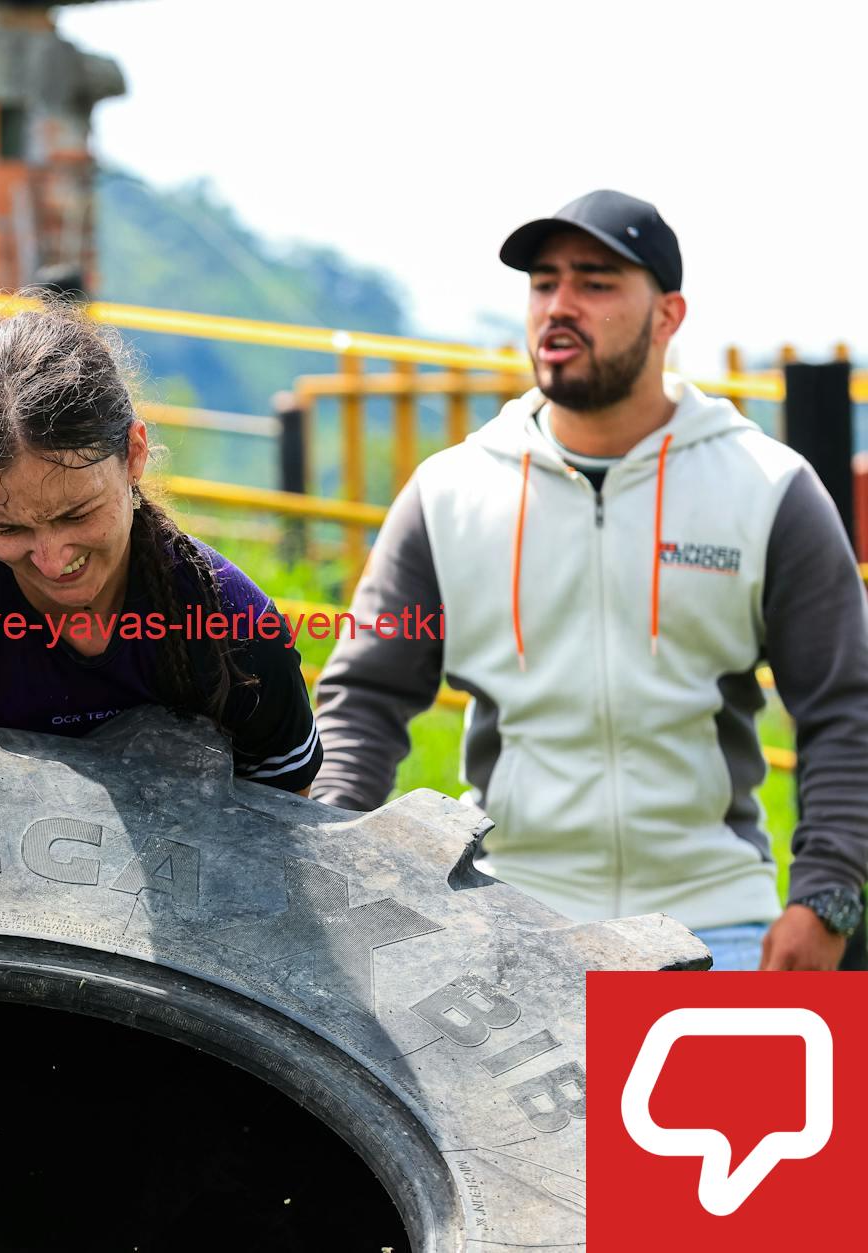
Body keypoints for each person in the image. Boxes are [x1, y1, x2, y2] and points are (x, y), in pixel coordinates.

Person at [311, 190, 868, 970]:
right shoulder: (449, 492)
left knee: (777, 1099)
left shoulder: (770, 488)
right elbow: (363, 698)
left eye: (596, 283)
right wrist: (327, 869)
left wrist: (827, 894)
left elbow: (845, 708)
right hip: (506, 928)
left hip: (722, 931)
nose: (559, 306)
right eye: (544, 283)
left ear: (669, 315)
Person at [0, 302, 321, 793]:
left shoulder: (235, 629)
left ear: (134, 454)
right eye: (7, 528)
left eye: (77, 514)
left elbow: (277, 835)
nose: (53, 561)